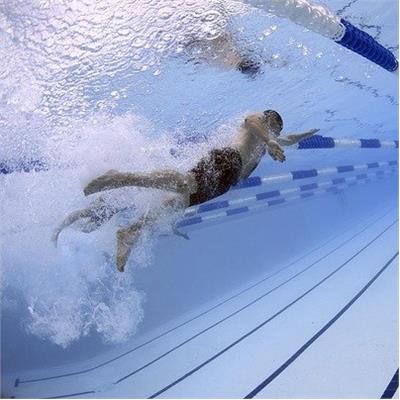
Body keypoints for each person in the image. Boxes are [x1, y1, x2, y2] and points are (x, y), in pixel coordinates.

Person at [53, 110, 319, 271]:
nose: (275, 132)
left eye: (276, 130)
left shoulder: (269, 140)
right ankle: (120, 178)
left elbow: (289, 139)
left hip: (224, 183)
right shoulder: (259, 122)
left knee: (175, 204)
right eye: (273, 126)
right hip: (227, 160)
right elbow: (252, 121)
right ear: (269, 119)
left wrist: (306, 134)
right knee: (184, 184)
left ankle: (130, 232)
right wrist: (269, 139)